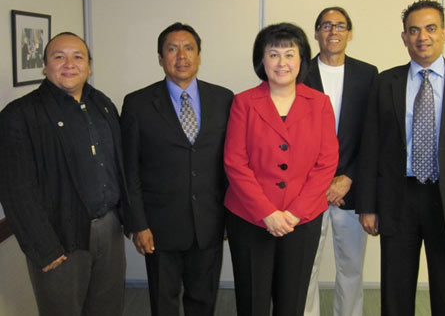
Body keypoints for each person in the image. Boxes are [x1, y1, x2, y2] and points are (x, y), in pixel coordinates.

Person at [356, 0, 445, 316]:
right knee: (395, 293)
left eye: (431, 28)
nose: (423, 36)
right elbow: (370, 148)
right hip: (398, 200)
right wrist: (367, 205)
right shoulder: (385, 83)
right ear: (404, 37)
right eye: (414, 30)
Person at [0, 32, 128, 316]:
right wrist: (44, 248)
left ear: (89, 66)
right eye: (59, 57)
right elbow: (15, 188)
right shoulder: (19, 115)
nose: (69, 63)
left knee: (107, 308)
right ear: (45, 66)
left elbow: (118, 164)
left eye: (78, 57)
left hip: (108, 229)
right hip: (60, 238)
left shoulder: (102, 104)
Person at [224, 22, 339, 316]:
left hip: (301, 220)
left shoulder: (320, 103)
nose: (282, 62)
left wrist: (294, 213)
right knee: (253, 301)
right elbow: (235, 162)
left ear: (301, 60)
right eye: (273, 54)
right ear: (261, 60)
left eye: (290, 54)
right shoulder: (244, 103)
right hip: (250, 219)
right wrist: (267, 212)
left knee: (293, 301)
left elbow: (326, 163)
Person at [121, 22, 233, 316]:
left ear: (199, 55)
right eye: (172, 49)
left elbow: (231, 163)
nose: (181, 55)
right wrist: (138, 224)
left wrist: (229, 217)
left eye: (188, 48)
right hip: (158, 226)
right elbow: (129, 169)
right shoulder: (137, 103)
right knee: (163, 302)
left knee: (203, 300)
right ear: (160, 57)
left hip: (209, 223)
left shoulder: (224, 99)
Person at [303, 7, 378, 316]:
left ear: (350, 32)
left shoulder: (368, 74)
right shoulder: (299, 72)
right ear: (317, 32)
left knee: (350, 269)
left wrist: (349, 176)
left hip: (351, 188)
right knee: (305, 270)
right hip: (307, 191)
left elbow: (373, 135)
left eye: (340, 25)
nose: (333, 31)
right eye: (326, 25)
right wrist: (320, 182)